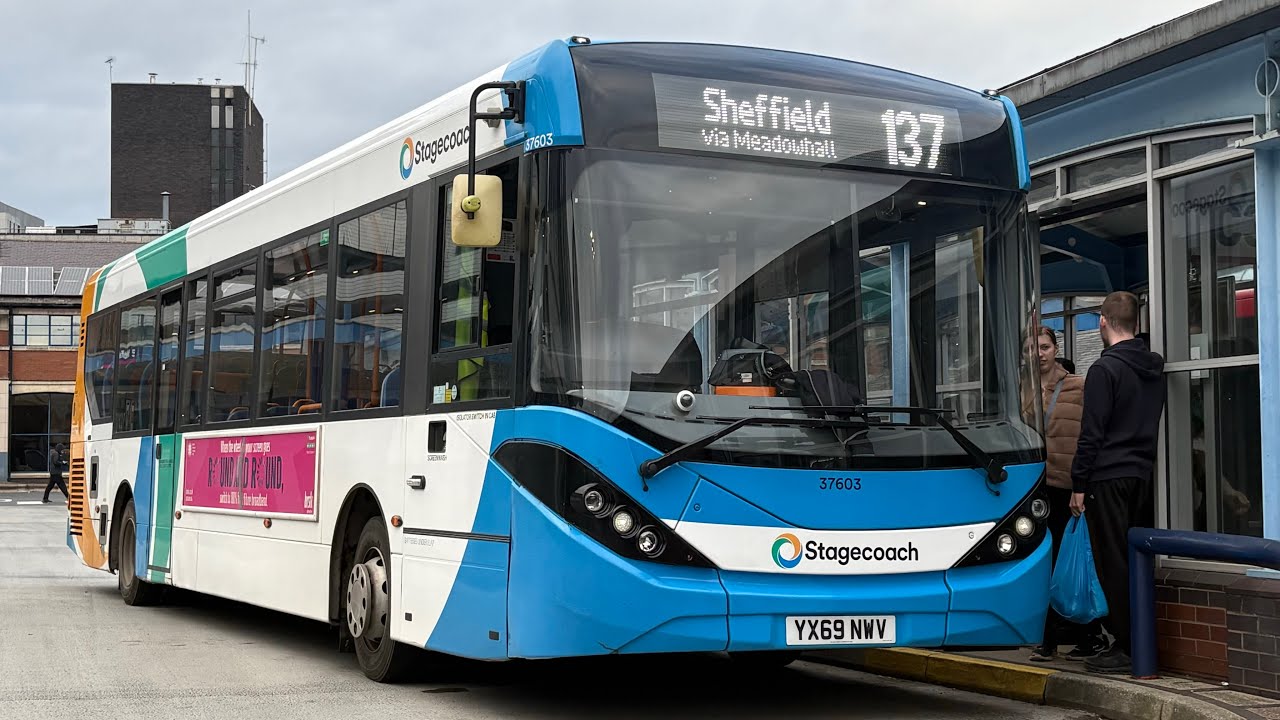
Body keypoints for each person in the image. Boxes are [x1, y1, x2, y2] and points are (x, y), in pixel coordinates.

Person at [1069, 291, 1166, 674]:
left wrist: (1079, 484)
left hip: (1107, 477)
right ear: (1138, 325)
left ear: (1103, 323)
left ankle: (1127, 645)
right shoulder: (1154, 366)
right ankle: (1140, 639)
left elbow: (1091, 434)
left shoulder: (1103, 370)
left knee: (1114, 564)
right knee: (1137, 560)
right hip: (1143, 474)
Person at [1024, 327, 1104, 662]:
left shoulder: (1078, 386)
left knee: (1070, 561)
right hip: (1030, 488)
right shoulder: (1019, 390)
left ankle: (1085, 636)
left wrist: (1082, 486)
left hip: (1067, 489)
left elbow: (1090, 436)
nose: (1039, 353)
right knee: (1041, 563)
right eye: (1031, 348)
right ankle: (1049, 638)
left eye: (1044, 347)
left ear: (1056, 348)